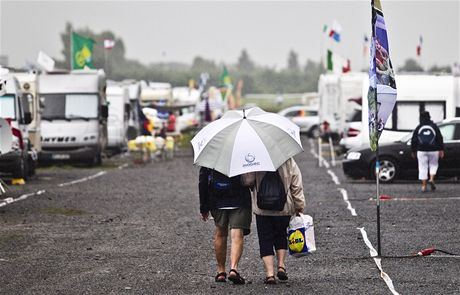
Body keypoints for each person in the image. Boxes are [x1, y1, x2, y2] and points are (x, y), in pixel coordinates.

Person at [242, 158, 305, 284]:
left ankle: (270, 274)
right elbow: (296, 185)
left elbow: (248, 181)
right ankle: (281, 266)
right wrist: (299, 205)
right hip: (284, 207)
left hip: (262, 209)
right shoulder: (288, 160)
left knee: (265, 239)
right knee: (281, 235)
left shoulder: (256, 159)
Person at [198, 168, 252, 284]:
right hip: (240, 198)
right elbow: (251, 178)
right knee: (237, 234)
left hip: (217, 199)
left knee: (220, 233)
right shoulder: (243, 151)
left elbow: (203, 180)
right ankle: (233, 269)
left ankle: (221, 271)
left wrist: (204, 206)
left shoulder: (211, 152)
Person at [411, 111, 444, 192]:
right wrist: (441, 149)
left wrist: (413, 150)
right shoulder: (434, 126)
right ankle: (432, 179)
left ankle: (423, 186)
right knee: (433, 165)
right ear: (429, 117)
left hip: (421, 150)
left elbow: (414, 140)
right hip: (434, 150)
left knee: (422, 167)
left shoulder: (419, 127)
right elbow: (439, 138)